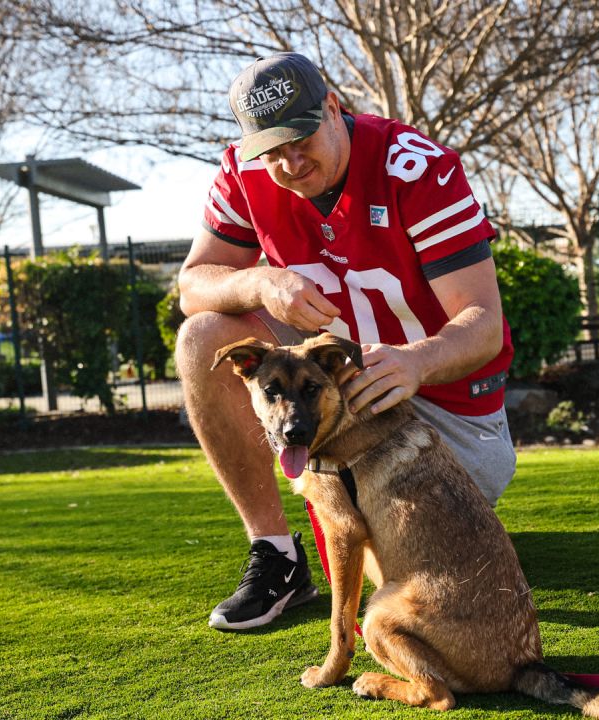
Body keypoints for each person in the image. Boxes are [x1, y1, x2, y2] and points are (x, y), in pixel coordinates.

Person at [175, 52, 517, 631]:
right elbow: (192, 283)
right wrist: (259, 279)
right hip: (327, 391)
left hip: (438, 400)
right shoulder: (244, 171)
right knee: (201, 335)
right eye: (272, 148)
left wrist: (418, 360)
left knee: (403, 573)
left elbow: (483, 322)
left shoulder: (417, 169)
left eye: (300, 137)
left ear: (333, 108)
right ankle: (276, 555)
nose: (289, 160)